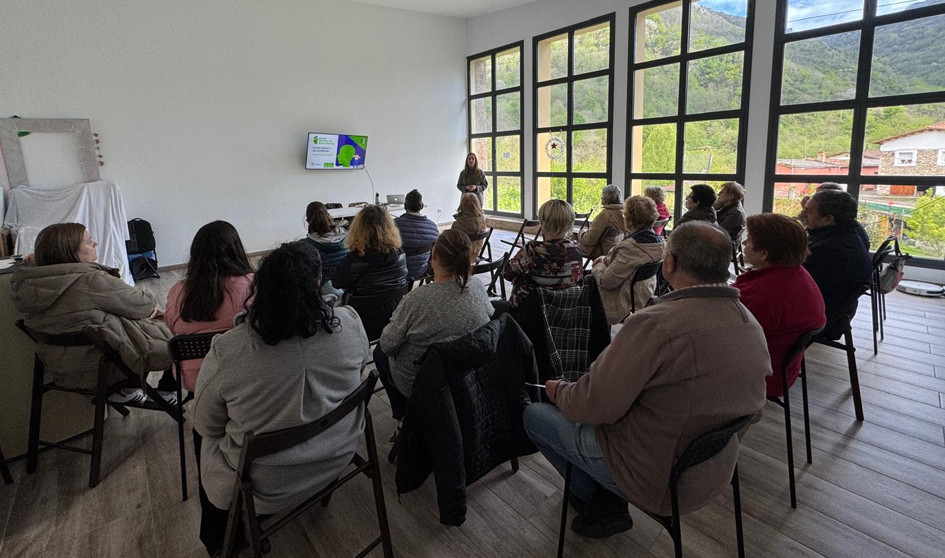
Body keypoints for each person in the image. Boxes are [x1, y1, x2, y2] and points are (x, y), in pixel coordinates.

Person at [523, 222, 770, 539]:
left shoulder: (656, 325)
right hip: (715, 468)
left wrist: (560, 393)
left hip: (656, 478)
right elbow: (755, 409)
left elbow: (591, 407)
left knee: (534, 415)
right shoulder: (749, 323)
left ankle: (600, 503)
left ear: (670, 263)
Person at [191, 241, 369, 556]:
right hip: (337, 454)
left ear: (261, 287)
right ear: (317, 285)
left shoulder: (228, 351)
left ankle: (221, 541)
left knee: (200, 429)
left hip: (265, 484)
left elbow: (207, 426)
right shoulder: (351, 323)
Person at [10, 223, 175, 404]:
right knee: (181, 331)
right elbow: (144, 303)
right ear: (71, 251)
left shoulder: (27, 281)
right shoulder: (91, 280)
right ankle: (154, 390)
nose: (95, 244)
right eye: (89, 242)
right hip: (100, 367)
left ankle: (131, 389)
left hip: (57, 365)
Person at [375, 230, 494, 418]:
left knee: (379, 353)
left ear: (434, 256)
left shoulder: (416, 300)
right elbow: (489, 317)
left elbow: (388, 345)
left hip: (422, 383)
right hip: (468, 374)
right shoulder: (478, 286)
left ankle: (404, 417)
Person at [734, 214, 826, 398]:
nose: (744, 243)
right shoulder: (798, 274)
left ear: (764, 253)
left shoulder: (765, 293)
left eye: (750, 240)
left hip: (758, 376)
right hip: (783, 370)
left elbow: (724, 333)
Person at [164, 221, 255, 392]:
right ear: (237, 250)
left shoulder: (178, 292)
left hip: (194, 379)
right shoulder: (252, 284)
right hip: (245, 372)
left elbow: (172, 327)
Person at [800, 189, 872, 340]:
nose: (803, 215)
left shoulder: (831, 251)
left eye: (809, 211)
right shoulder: (848, 235)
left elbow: (797, 288)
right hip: (834, 311)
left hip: (821, 319)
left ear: (828, 219)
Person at [591, 196, 664, 325]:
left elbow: (606, 281)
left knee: (587, 286)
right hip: (644, 294)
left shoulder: (630, 248)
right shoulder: (659, 243)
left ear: (629, 221)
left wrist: (599, 264)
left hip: (623, 301)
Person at [502, 199, 584, 308]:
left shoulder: (533, 250)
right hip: (563, 312)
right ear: (570, 223)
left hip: (530, 313)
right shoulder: (576, 249)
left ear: (543, 223)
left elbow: (506, 273)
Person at [332, 204, 408, 294]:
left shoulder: (352, 260)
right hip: (394, 305)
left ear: (357, 229)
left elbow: (336, 283)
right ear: (390, 227)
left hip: (361, 307)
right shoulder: (400, 254)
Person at [800, 183, 870, 248]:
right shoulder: (848, 229)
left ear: (828, 219)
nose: (813, 198)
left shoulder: (828, 248)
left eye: (818, 195)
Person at [394, 189, 440, 280]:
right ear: (422, 206)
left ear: (405, 206)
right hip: (420, 270)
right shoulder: (433, 228)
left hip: (397, 271)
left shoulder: (393, 226)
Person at [301, 201, 349, 288]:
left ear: (308, 221)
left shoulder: (306, 246)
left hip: (324, 293)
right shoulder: (349, 237)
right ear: (329, 216)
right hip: (348, 289)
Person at [577, 184, 627, 259]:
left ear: (606, 198)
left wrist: (581, 232)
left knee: (573, 246)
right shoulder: (623, 213)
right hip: (614, 249)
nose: (601, 197)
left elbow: (589, 240)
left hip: (599, 251)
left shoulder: (605, 215)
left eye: (602, 195)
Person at [450, 192, 487, 259]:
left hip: (460, 256)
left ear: (461, 205)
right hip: (475, 253)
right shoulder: (482, 221)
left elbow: (452, 242)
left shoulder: (457, 224)